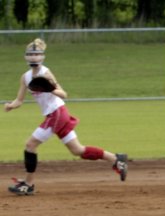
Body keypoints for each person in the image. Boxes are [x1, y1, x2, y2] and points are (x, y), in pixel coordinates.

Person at [4, 38, 127, 196]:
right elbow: (19, 100)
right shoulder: (25, 77)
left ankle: (28, 184)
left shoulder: (45, 73)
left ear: (42, 56)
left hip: (57, 113)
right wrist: (11, 105)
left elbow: (63, 94)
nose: (33, 57)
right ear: (25, 57)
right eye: (30, 54)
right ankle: (116, 159)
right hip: (56, 114)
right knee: (77, 150)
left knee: (30, 144)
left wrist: (50, 89)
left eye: (37, 54)